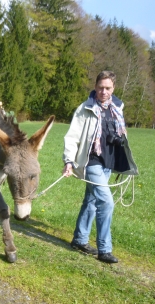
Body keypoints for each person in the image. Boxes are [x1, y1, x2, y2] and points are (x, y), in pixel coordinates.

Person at [62, 71, 138, 264]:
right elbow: (72, 137)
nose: (103, 92)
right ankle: (104, 249)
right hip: (91, 162)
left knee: (91, 200)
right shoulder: (85, 108)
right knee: (106, 202)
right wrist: (68, 161)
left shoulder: (117, 107)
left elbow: (121, 133)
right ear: (95, 87)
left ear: (113, 88)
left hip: (108, 163)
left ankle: (79, 239)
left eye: (108, 88)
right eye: (100, 87)